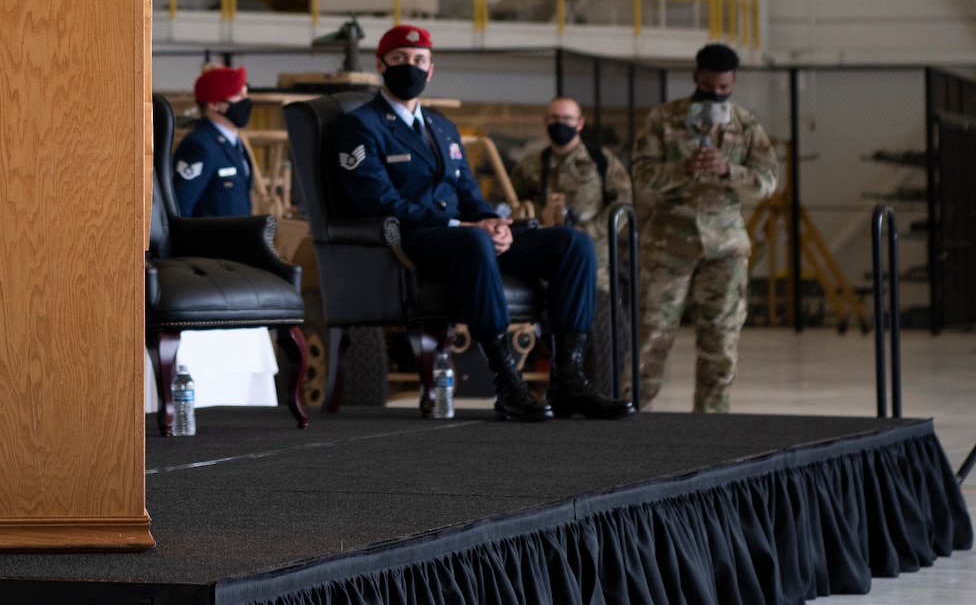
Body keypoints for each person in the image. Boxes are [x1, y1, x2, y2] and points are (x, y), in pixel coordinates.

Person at [331, 25, 630, 422]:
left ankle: (568, 380)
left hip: (465, 235)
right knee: (476, 243)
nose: (411, 67)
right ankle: (507, 384)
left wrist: (492, 220)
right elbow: (378, 201)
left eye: (419, 61)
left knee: (573, 244)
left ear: (431, 69)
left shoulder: (443, 128)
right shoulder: (360, 126)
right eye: (401, 59)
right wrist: (463, 226)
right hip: (412, 239)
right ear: (381, 64)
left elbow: (469, 193)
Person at [631, 42, 780, 414]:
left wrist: (728, 170)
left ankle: (711, 428)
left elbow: (768, 182)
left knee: (721, 344)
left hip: (725, 249)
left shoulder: (745, 124)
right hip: (668, 246)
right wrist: (681, 169)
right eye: (709, 86)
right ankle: (631, 425)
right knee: (650, 338)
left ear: (733, 84)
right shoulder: (663, 119)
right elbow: (641, 178)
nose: (715, 93)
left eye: (723, 89)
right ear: (696, 77)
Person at [510, 96, 634, 291]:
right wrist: (539, 215)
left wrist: (588, 231)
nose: (560, 124)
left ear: (580, 123)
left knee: (594, 313)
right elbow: (512, 203)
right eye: (554, 118)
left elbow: (623, 203)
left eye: (567, 118)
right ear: (545, 121)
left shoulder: (601, 160)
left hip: (594, 259)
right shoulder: (531, 164)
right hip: (545, 255)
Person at [173, 65, 255, 216]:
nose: (246, 99)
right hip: (211, 239)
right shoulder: (199, 145)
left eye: (246, 92)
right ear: (214, 104)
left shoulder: (233, 142)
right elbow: (181, 208)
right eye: (238, 94)